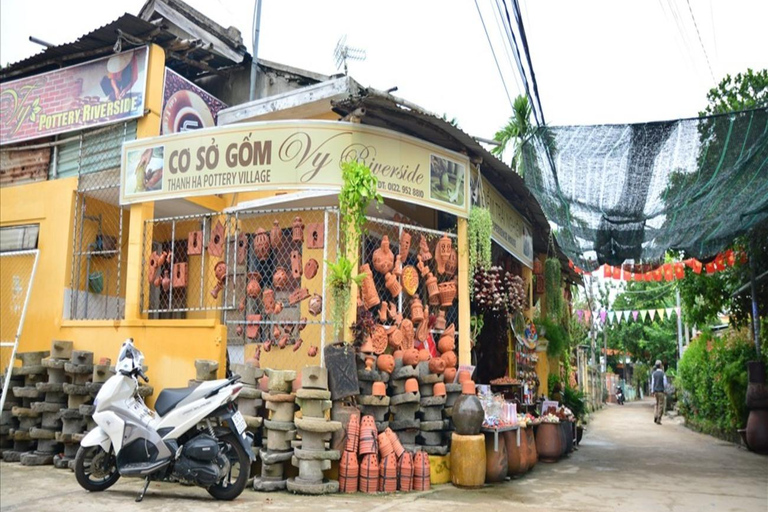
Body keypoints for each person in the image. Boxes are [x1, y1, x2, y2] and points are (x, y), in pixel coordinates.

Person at [651, 360, 667, 424]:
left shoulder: (654, 374)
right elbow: (665, 383)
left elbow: (652, 383)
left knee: (656, 404)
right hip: (661, 391)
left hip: (655, 391)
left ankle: (655, 415)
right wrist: (665, 390)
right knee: (661, 405)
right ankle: (658, 418)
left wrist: (652, 391)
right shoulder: (663, 374)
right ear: (660, 365)